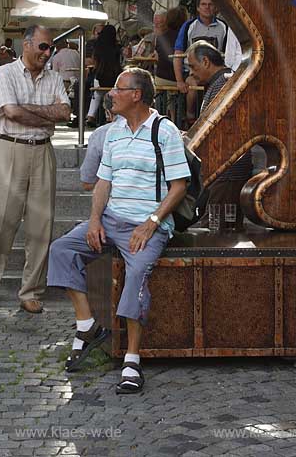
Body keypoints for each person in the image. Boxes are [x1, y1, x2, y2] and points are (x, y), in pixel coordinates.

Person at [47, 67, 189, 394]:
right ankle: (87, 326)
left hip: (147, 224)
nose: (111, 94)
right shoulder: (113, 131)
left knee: (137, 271)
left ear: (136, 95)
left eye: (118, 89)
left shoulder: (164, 131)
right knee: (61, 250)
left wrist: (151, 223)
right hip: (111, 219)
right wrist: (95, 220)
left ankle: (132, 360)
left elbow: (179, 186)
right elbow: (102, 182)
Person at [0, 26, 70, 316]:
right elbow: (9, 112)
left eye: (50, 48)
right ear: (26, 45)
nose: (47, 53)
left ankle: (31, 291)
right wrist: (43, 113)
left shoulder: (53, 77)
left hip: (42, 151)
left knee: (41, 225)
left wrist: (29, 111)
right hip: (9, 148)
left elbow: (65, 112)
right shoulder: (4, 73)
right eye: (42, 47)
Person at [184, 41, 253, 230]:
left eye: (192, 66)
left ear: (206, 61)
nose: (190, 72)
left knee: (220, 231)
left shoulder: (224, 82)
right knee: (220, 228)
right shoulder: (220, 82)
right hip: (222, 171)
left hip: (227, 170)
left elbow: (220, 128)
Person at [175, 0, 230, 124]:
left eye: (210, 4)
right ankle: (190, 116)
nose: (207, 8)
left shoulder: (224, 27)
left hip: (216, 72)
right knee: (192, 85)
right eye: (204, 4)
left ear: (215, 7)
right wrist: (179, 81)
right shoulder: (189, 26)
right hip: (193, 72)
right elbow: (177, 54)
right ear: (198, 8)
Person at [154, 6, 186, 124]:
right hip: (177, 78)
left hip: (161, 77)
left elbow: (157, 57)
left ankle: (160, 118)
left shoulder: (160, 36)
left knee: (162, 94)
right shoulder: (184, 36)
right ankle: (177, 118)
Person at [86, 25, 120, 127]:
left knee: (97, 94)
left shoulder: (97, 46)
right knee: (110, 94)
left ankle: (91, 116)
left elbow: (94, 62)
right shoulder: (117, 47)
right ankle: (109, 115)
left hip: (100, 76)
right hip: (114, 77)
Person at [79, 93, 114, 191]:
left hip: (112, 200)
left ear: (107, 112)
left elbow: (87, 182)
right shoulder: (159, 129)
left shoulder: (100, 134)